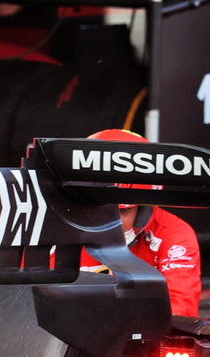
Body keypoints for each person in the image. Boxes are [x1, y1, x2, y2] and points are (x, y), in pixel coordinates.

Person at [77, 128, 202, 318]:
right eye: (102, 209)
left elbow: (180, 313)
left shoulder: (174, 235)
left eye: (124, 210)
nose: (113, 221)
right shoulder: (52, 230)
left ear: (143, 207)